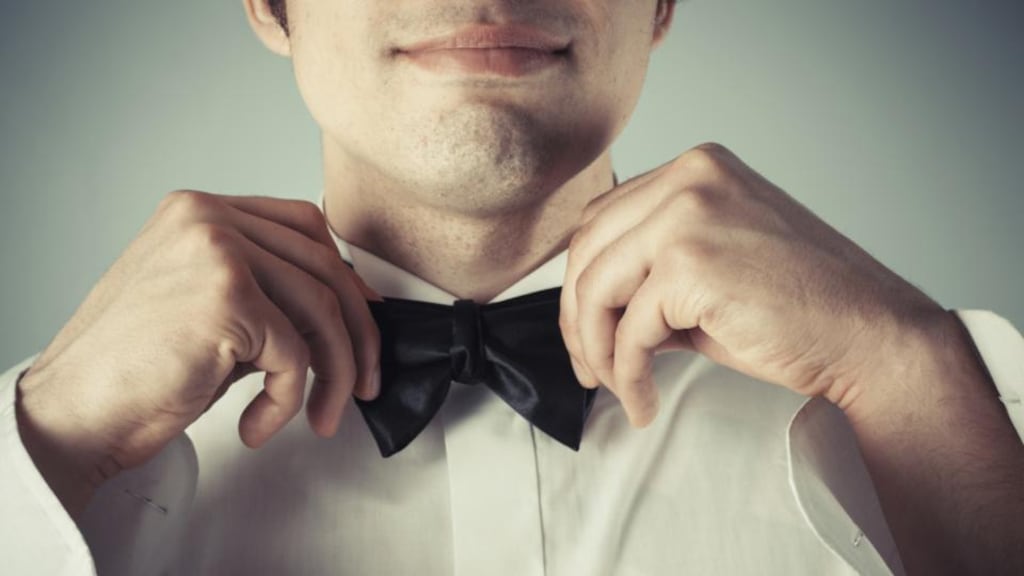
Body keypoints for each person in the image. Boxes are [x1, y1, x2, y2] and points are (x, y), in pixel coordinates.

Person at [1, 0, 1022, 574]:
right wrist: (43, 445)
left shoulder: (944, 405)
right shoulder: (50, 467)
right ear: (270, 3)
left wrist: (912, 371)